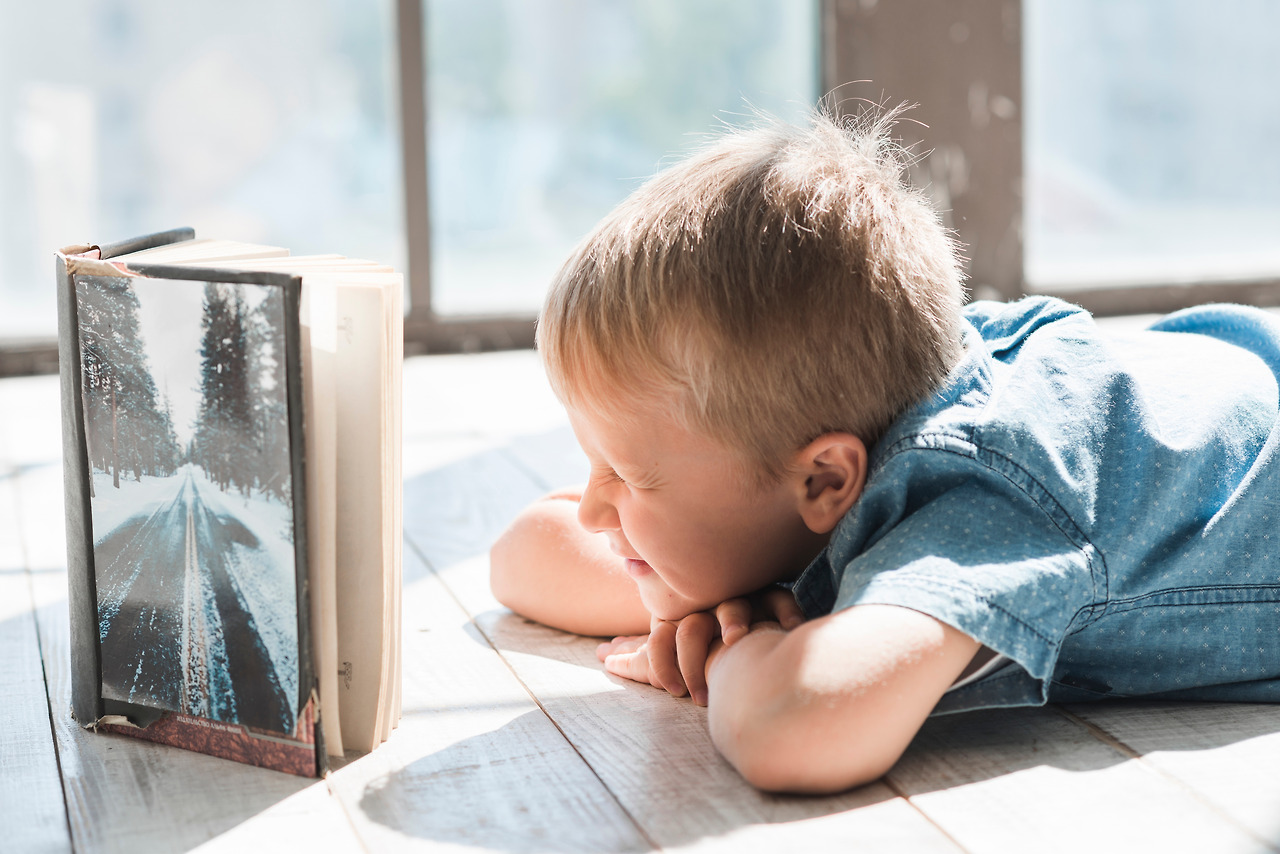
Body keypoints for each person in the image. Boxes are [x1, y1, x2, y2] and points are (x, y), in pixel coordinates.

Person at [488, 106, 1280, 794]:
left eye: (626, 475)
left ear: (826, 479)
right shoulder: (844, 412)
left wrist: (749, 644)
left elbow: (792, 728)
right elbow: (525, 552)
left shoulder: (976, 504)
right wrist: (700, 589)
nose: (593, 508)